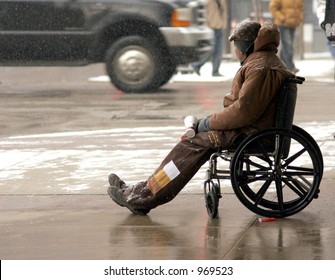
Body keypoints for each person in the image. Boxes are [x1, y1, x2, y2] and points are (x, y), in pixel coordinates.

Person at [107, 21, 295, 215]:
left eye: (236, 46)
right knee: (190, 144)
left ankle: (144, 197)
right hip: (248, 129)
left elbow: (243, 111)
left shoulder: (260, 67)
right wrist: (209, 122)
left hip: (247, 133)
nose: (236, 51)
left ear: (244, 46)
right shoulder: (262, 62)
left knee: (189, 146)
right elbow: (243, 109)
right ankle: (142, 189)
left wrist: (208, 122)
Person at [191, 0, 228, 77]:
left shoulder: (222, 1)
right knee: (210, 49)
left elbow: (224, 12)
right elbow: (203, 14)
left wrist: (224, 24)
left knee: (219, 50)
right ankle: (196, 65)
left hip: (220, 27)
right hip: (210, 28)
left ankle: (215, 71)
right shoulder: (208, 1)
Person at [269, 0, 304, 73]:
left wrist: (300, 18)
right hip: (283, 24)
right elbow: (273, 7)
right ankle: (289, 66)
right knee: (288, 45)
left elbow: (300, 8)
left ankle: (283, 65)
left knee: (288, 46)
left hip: (293, 23)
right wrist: (282, 18)